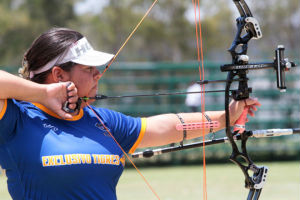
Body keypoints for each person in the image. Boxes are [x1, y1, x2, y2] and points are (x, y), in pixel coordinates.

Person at [0, 27, 260, 199]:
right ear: (59, 75)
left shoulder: (101, 121)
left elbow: (170, 127)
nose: (97, 74)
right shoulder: (17, 119)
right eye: (88, 68)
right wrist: (43, 94)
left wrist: (226, 117)